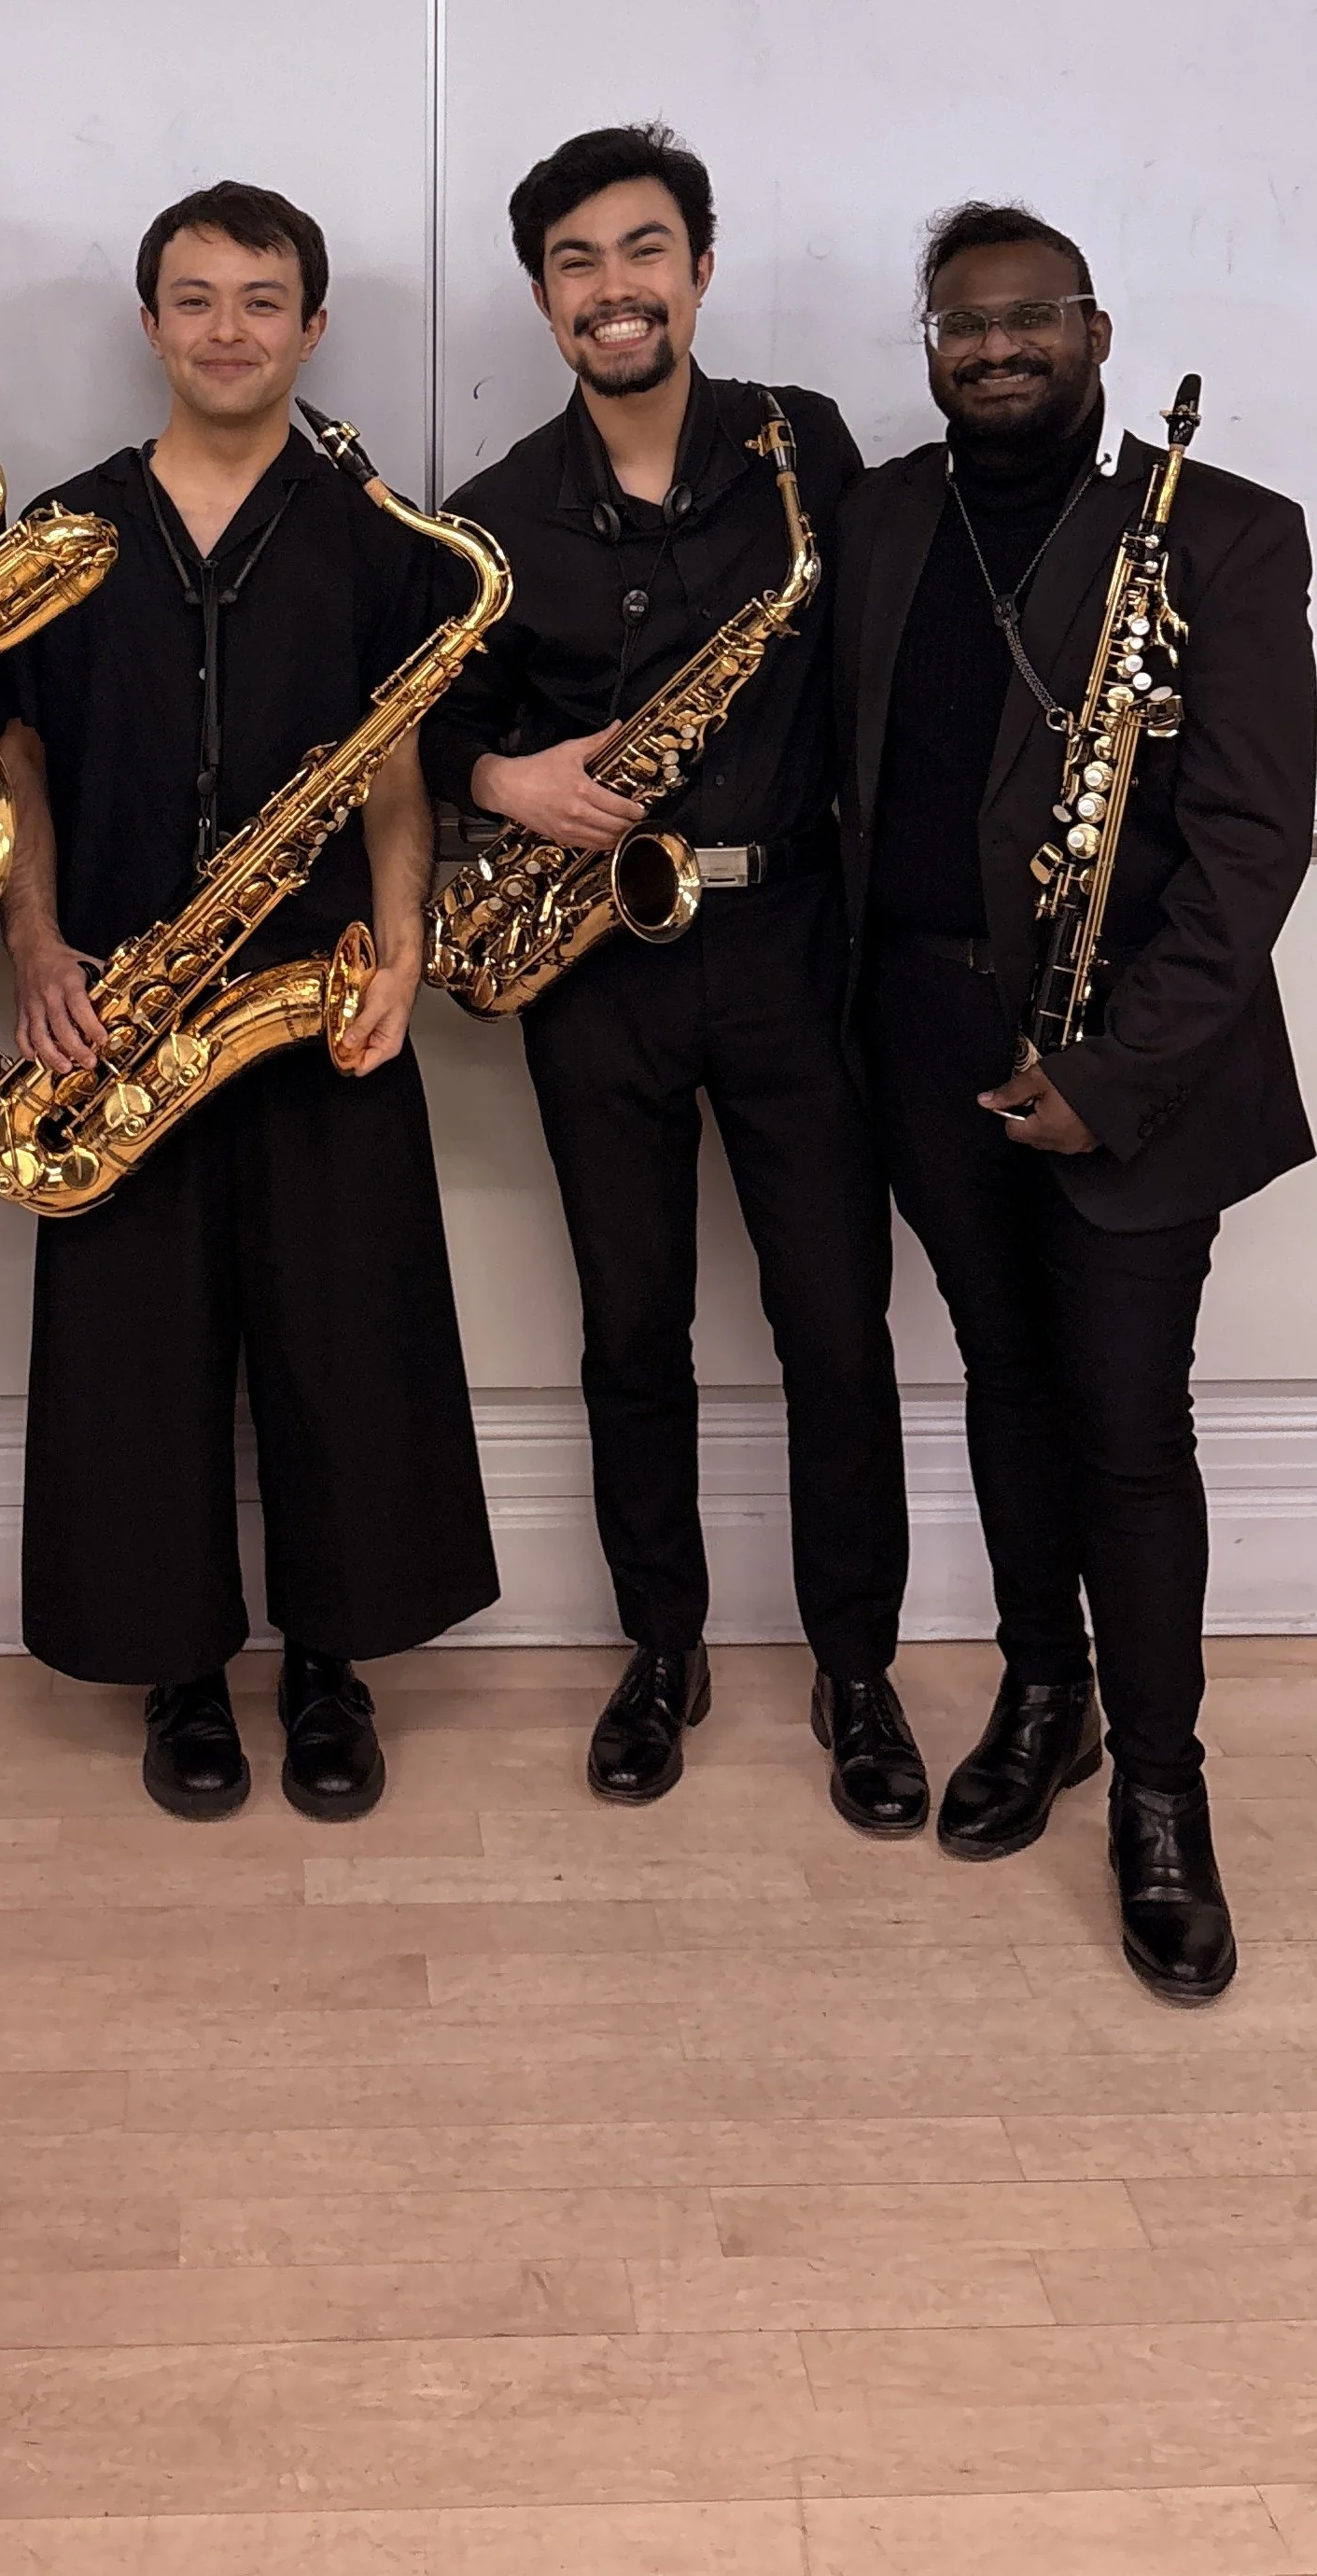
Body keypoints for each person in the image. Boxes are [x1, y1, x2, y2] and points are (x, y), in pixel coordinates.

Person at [835, 200, 1316, 2002]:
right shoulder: (886, 516)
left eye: (1035, 317)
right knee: (1007, 1384)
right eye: (964, 323)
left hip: (1136, 1068)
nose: (999, 346)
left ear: (1101, 334)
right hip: (923, 1036)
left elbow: (1256, 847)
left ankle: (1168, 1800)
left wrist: (1109, 1075)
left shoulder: (1232, 535)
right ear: (932, 345)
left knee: (1125, 1420)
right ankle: (1050, 1695)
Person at [423, 124, 916, 1826]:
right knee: (630, 1328)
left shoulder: (812, 452)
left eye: (643, 252)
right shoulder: (487, 522)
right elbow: (429, 737)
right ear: (542, 297)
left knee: (832, 1325)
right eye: (576, 262)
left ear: (700, 268)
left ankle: (859, 1670)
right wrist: (506, 783)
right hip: (596, 964)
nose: (613, 290)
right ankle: (662, 1649)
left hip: (792, 949)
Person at [0, 178, 498, 1821]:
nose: (228, 329)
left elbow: (400, 775)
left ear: (314, 326)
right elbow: (15, 759)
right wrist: (37, 945)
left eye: (261, 299)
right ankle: (182, 1672)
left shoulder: (377, 536)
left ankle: (333, 1666)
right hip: (120, 1009)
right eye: (195, 299)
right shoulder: (63, 535)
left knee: (348, 1335)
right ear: (149, 326)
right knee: (134, 1353)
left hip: (319, 986)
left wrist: (408, 942)